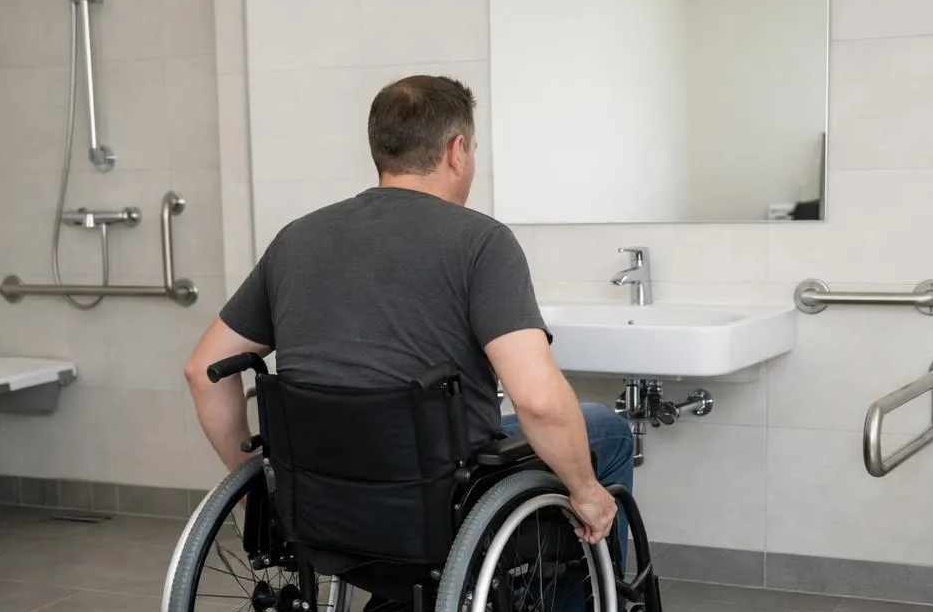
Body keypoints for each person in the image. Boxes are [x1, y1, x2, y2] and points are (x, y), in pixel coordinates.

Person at [183, 74, 633, 555]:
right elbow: (538, 401)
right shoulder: (481, 242)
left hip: (320, 485)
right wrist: (586, 492)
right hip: (438, 489)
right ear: (457, 150)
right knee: (604, 428)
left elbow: (202, 370)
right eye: (473, 149)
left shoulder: (296, 238)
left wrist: (259, 494)